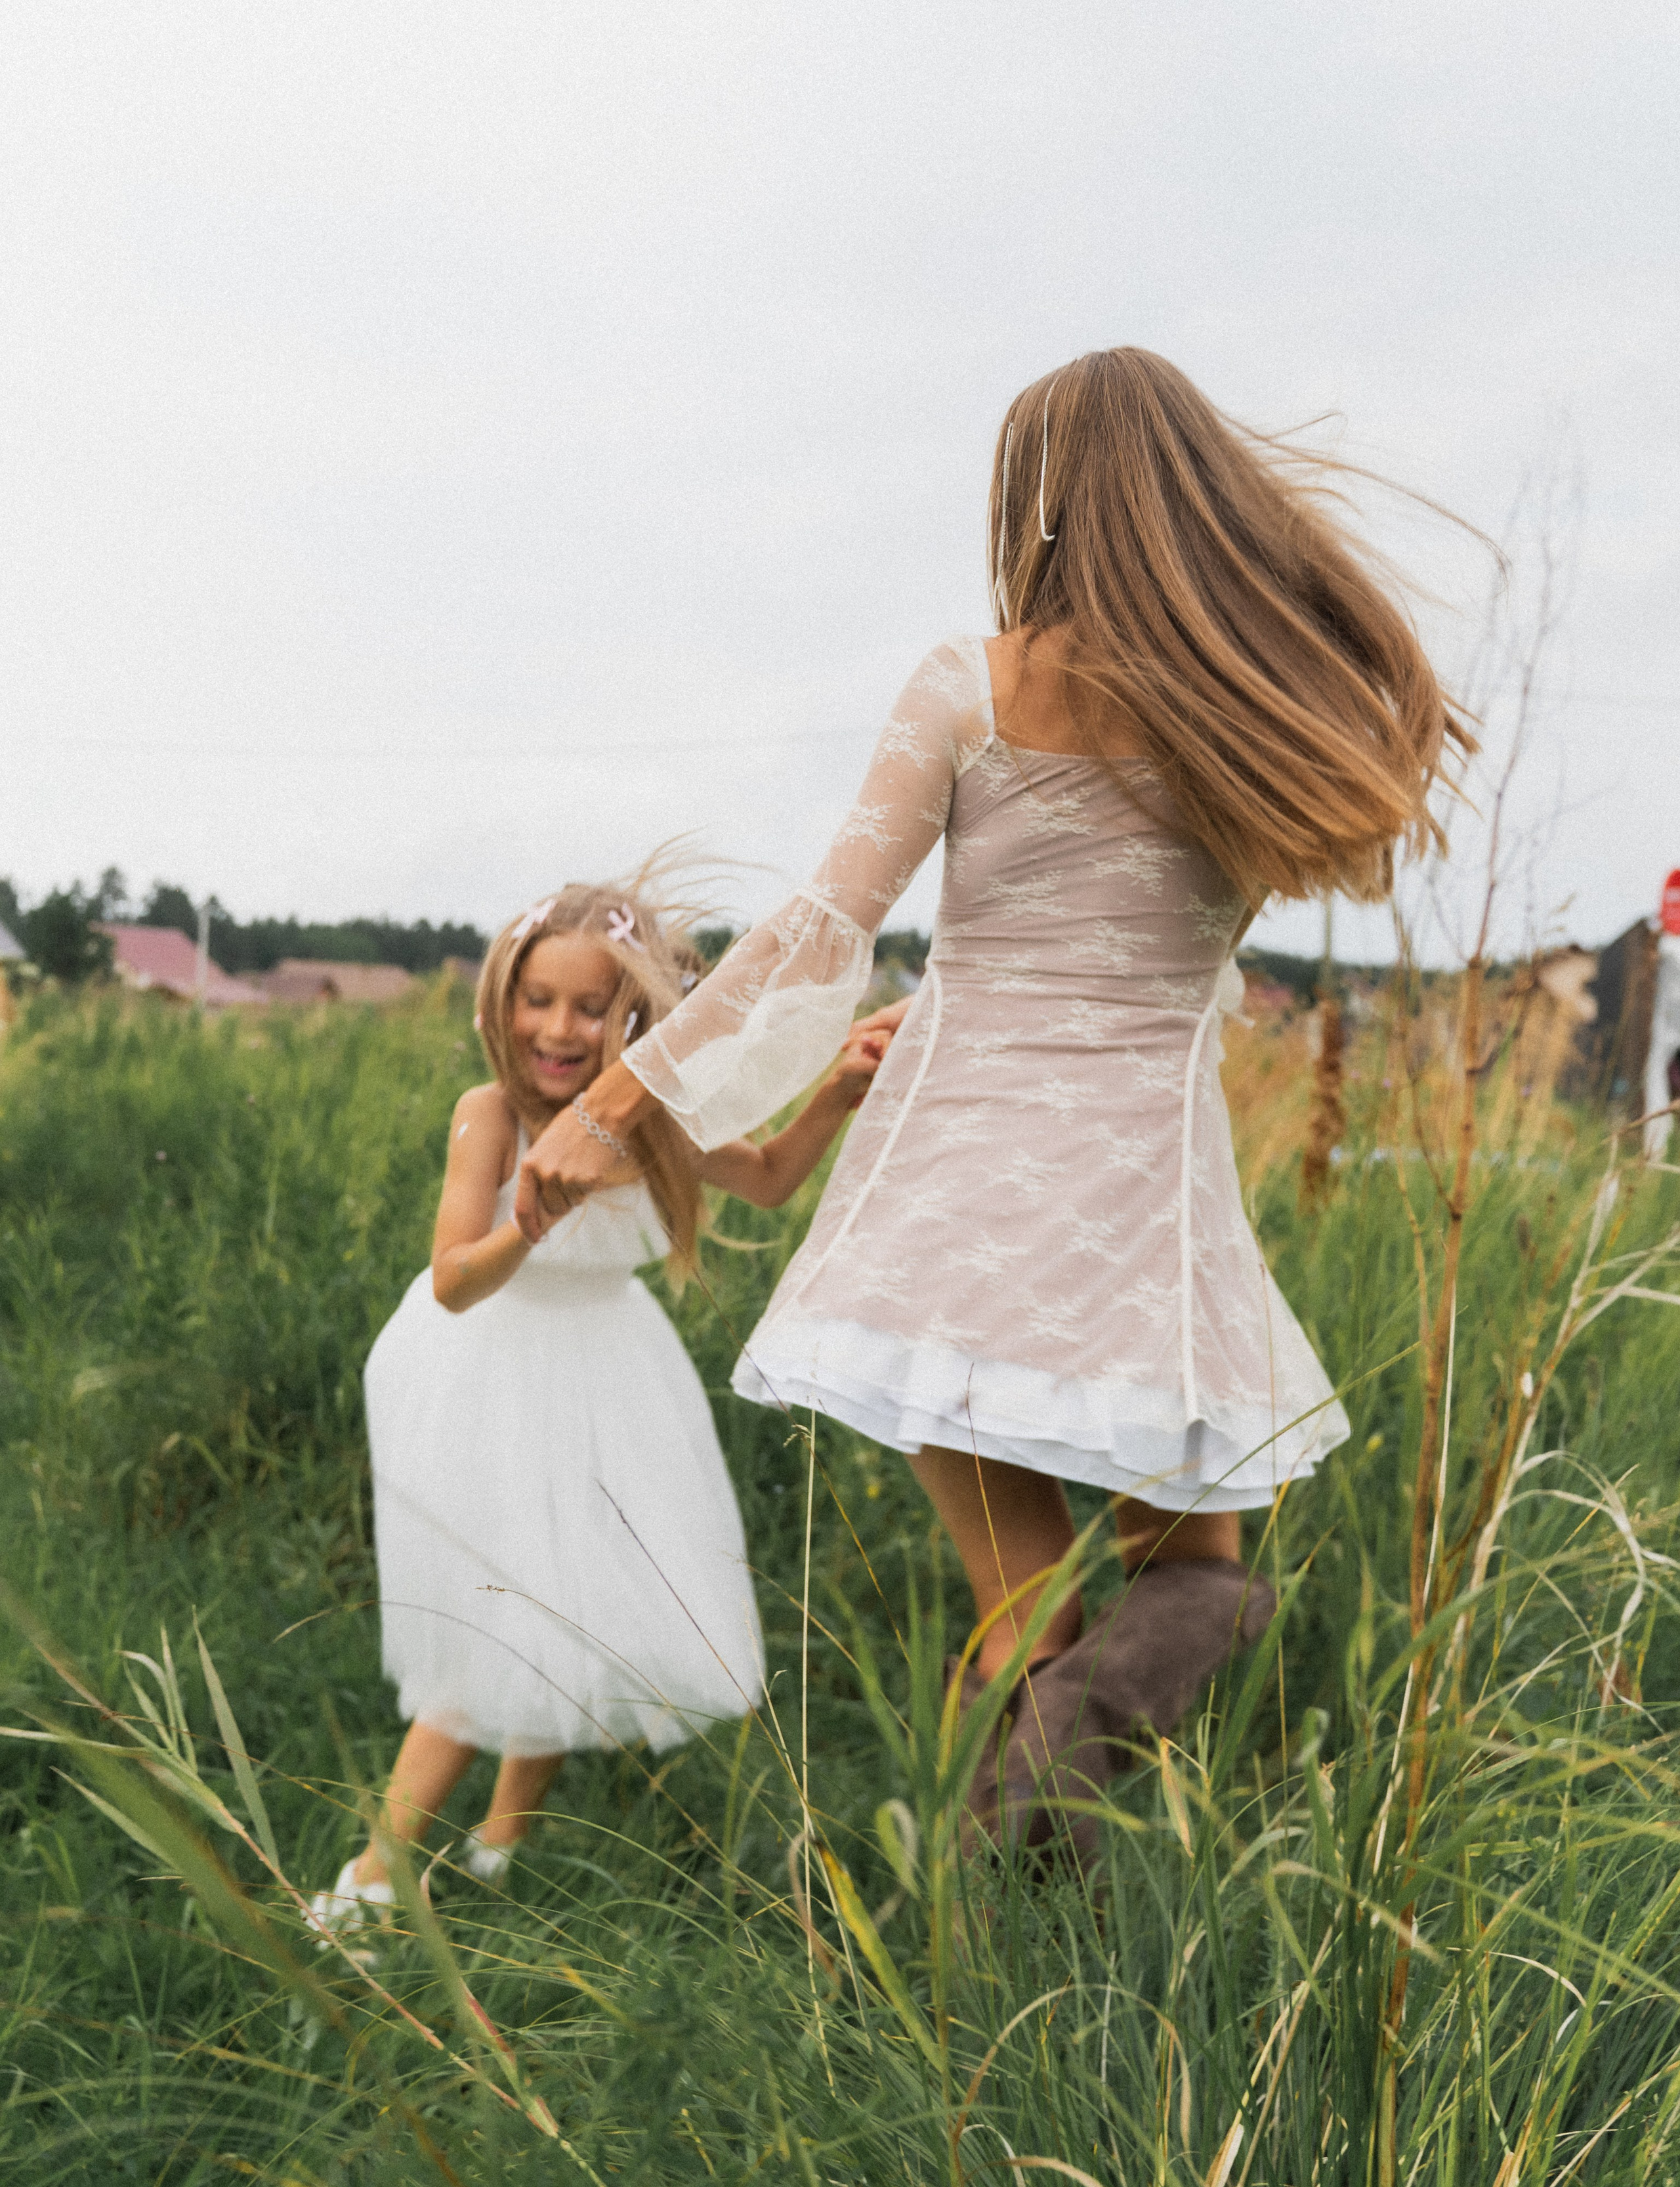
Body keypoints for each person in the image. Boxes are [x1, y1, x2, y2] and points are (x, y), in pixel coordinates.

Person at [516, 349, 1474, 1857]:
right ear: (1201, 506)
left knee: (1032, 1610)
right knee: (1196, 1583)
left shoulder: (976, 681)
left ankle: (990, 1902)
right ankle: (1043, 1873)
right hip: (1143, 1213)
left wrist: (623, 1098)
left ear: (1040, 502)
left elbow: (820, 927)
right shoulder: (1251, 709)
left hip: (955, 1197)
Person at [308, 880, 888, 1932]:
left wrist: (838, 1094)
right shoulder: (492, 1115)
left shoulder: (655, 1115)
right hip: (489, 1367)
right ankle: (373, 1879)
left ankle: (499, 1847)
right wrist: (533, 1216)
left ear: (637, 1018)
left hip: (615, 1371)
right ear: (502, 998)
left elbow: (762, 1178)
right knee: (497, 1617)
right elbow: (451, 1279)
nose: (559, 1028)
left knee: (578, 1608)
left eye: (591, 1007)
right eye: (538, 999)